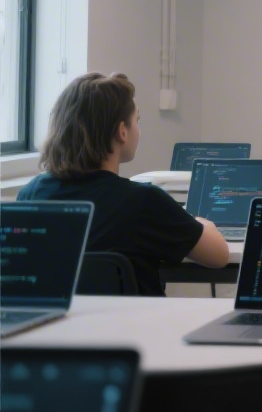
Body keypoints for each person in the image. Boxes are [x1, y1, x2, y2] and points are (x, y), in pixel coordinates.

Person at [18, 72, 228, 295]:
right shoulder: (143, 201)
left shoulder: (31, 195)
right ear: (122, 131)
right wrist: (203, 224)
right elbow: (218, 256)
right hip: (134, 327)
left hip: (57, 328)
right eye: (137, 120)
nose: (138, 128)